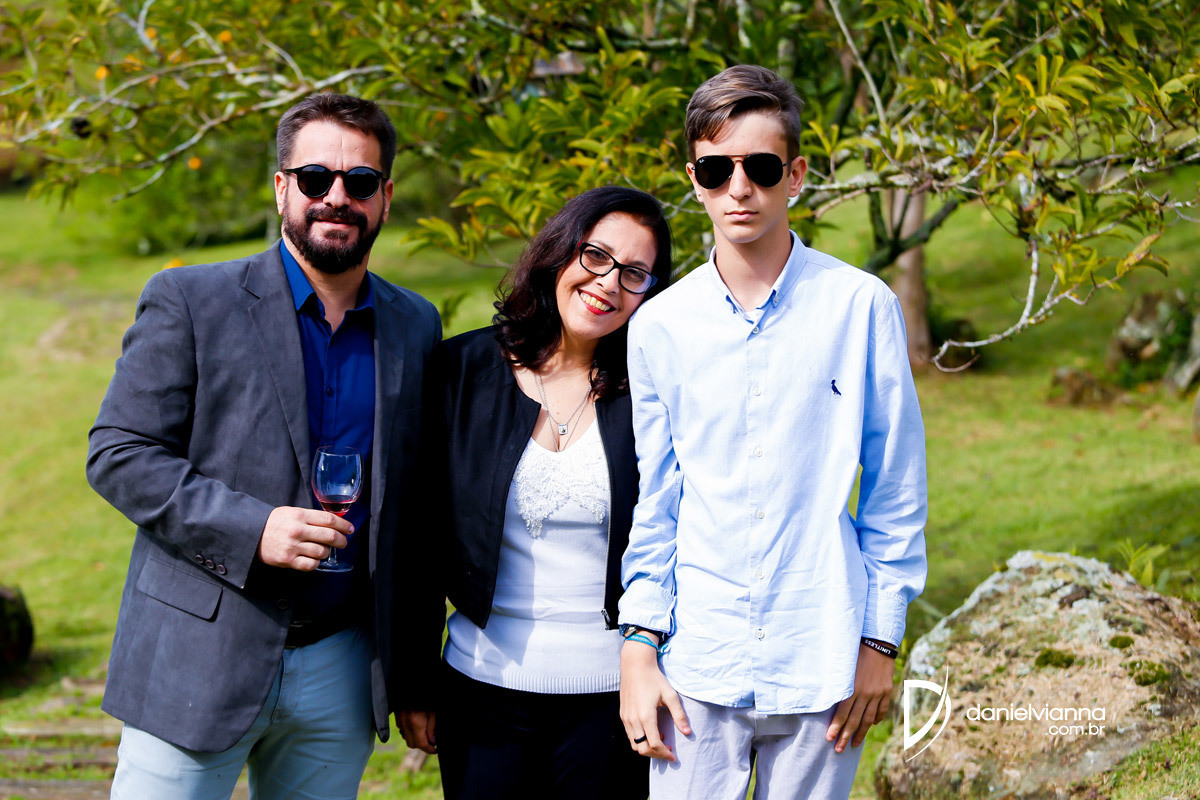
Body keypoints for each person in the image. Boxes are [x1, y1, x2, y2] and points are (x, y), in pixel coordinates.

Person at [86, 93, 443, 799]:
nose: (336, 197)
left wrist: (411, 671)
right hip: (197, 658)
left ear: (385, 196)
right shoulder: (191, 300)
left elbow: (416, 508)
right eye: (315, 178)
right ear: (282, 188)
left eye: (360, 181)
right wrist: (255, 529)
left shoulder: (415, 324)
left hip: (342, 668)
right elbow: (119, 453)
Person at [617, 65, 928, 800]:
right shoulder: (659, 325)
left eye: (760, 167)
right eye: (716, 169)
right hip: (698, 663)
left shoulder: (862, 308)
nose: (739, 188)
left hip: (823, 658)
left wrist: (880, 641)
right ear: (694, 179)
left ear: (795, 175)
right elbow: (658, 500)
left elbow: (896, 488)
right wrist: (639, 644)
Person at [427, 186, 673, 800]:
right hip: (480, 694)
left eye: (634, 273)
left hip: (615, 700)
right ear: (561, 251)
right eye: (596, 256)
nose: (608, 283)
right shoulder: (462, 370)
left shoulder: (652, 391)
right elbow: (417, 532)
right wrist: (412, 679)